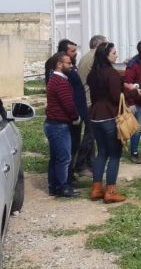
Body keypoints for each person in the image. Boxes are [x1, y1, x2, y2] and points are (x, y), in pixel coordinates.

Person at [86, 42, 129, 204]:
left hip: (95, 115)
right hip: (110, 116)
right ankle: (110, 191)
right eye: (113, 53)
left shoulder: (93, 73)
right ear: (106, 55)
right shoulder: (111, 74)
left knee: (101, 152)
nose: (116, 55)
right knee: (115, 154)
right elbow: (115, 97)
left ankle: (96, 188)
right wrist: (131, 93)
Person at [43, 52, 81, 198]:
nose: (71, 66)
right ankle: (62, 186)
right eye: (68, 63)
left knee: (56, 157)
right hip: (59, 125)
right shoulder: (60, 82)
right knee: (64, 158)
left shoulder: (54, 79)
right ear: (59, 64)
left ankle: (54, 186)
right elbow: (68, 104)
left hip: (53, 124)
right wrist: (76, 117)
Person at [75, 34, 108, 176]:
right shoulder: (95, 57)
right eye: (105, 44)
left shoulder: (86, 56)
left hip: (85, 99)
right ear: (99, 45)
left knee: (91, 134)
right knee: (91, 135)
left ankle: (90, 163)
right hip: (90, 101)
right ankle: (81, 165)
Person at [57, 39, 88, 185]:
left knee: (74, 145)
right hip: (70, 115)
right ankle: (67, 177)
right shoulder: (63, 71)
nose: (75, 54)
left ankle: (70, 174)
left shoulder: (71, 67)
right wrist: (74, 115)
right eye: (72, 51)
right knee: (69, 147)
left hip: (77, 112)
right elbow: (67, 96)